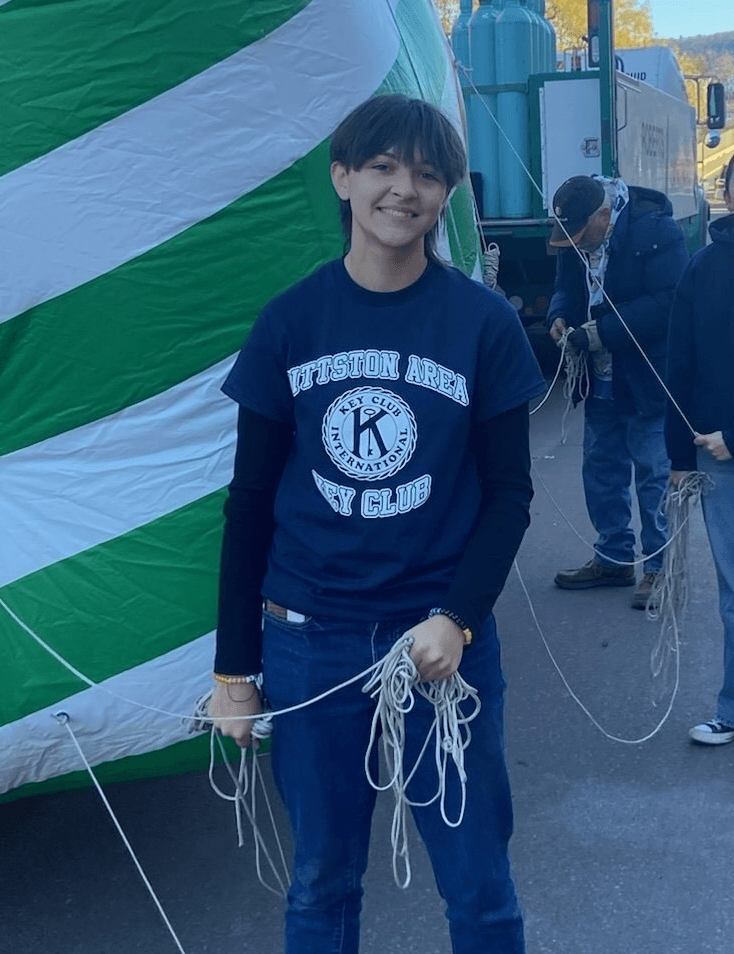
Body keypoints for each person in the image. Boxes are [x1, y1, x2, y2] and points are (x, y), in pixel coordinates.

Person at [208, 93, 544, 954]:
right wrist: (234, 671)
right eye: (385, 167)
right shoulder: (290, 321)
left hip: (440, 646)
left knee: (479, 885)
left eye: (429, 175)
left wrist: (459, 617)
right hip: (309, 638)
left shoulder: (484, 325)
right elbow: (248, 502)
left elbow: (509, 495)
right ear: (343, 178)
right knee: (322, 881)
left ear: (448, 195)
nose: (406, 189)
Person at [546, 174, 688, 609]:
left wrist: (601, 332)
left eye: (579, 234)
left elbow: (669, 301)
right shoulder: (578, 238)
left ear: (604, 217)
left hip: (646, 376)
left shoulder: (656, 231)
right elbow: (566, 286)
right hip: (600, 378)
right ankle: (613, 557)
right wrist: (560, 315)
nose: (572, 243)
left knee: (652, 473)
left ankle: (660, 569)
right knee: (601, 470)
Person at [665, 154, 734, 745]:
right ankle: (732, 708)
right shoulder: (703, 269)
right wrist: (680, 458)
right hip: (717, 463)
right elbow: (678, 366)